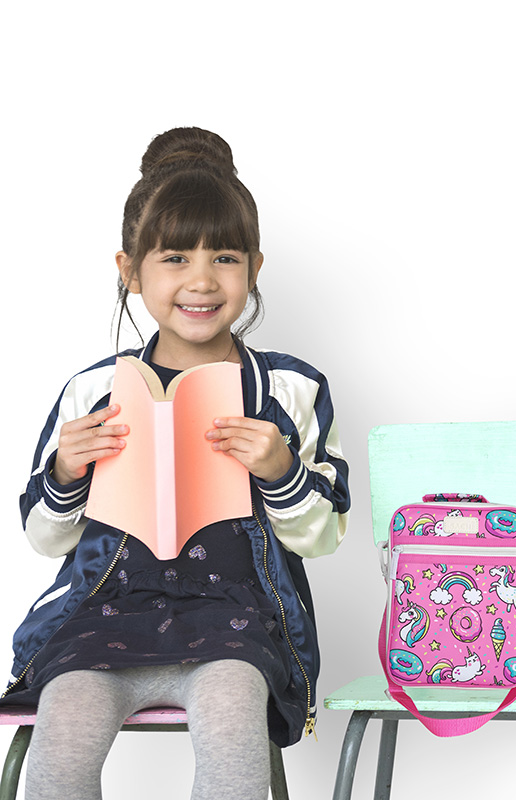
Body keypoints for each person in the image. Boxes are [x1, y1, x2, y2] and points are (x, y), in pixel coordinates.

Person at [1, 127, 350, 800]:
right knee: (62, 734)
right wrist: (66, 476)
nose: (200, 280)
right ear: (129, 269)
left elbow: (321, 536)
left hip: (235, 626)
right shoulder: (91, 390)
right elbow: (44, 537)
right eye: (173, 258)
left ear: (254, 266)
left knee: (231, 727)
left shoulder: (289, 389)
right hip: (103, 621)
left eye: (223, 257)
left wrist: (280, 470)